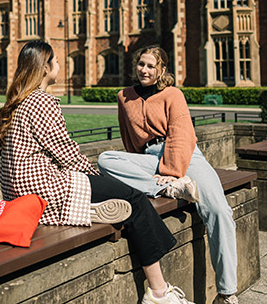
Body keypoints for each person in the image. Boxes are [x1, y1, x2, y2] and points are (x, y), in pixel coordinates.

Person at [0, 41, 193, 304]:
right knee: (133, 199)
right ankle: (159, 293)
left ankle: (89, 208)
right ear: (45, 68)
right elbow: (66, 153)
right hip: (45, 189)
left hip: (17, 192)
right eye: (54, 62)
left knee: (115, 191)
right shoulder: (42, 101)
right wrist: (96, 178)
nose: (59, 65)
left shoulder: (20, 99)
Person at [97, 46, 239, 304]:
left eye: (151, 66)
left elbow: (181, 134)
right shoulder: (124, 96)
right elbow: (129, 140)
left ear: (162, 70)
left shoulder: (173, 94)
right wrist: (147, 174)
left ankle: (227, 293)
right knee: (105, 159)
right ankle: (165, 189)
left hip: (185, 155)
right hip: (150, 160)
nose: (145, 70)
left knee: (219, 211)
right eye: (141, 64)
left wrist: (172, 171)